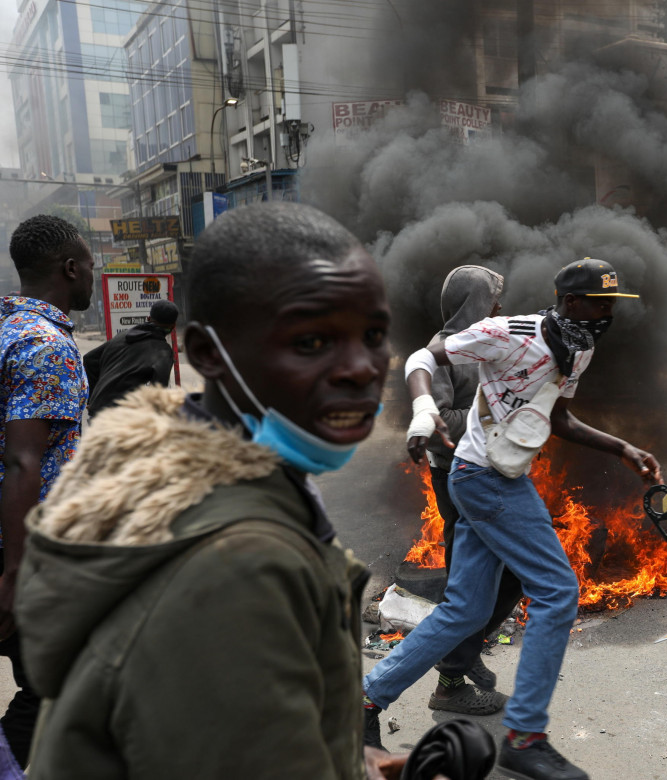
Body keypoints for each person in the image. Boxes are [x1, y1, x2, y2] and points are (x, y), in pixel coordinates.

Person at [13, 203, 400, 779]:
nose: (362, 368)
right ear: (205, 354)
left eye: (372, 333)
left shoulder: (216, 470)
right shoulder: (239, 561)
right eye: (313, 339)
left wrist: (364, 760)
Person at [363, 257, 661, 780]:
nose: (609, 312)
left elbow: (558, 417)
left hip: (497, 476)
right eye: (600, 302)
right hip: (483, 479)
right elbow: (419, 358)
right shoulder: (507, 333)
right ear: (571, 303)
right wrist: (424, 411)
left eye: (613, 303)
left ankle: (367, 699)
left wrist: (622, 448)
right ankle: (525, 737)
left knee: (465, 609)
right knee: (557, 590)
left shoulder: (579, 347)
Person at [0, 214, 93, 767]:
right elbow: (23, 461)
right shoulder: (45, 345)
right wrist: (15, 574)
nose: (91, 276)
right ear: (69, 268)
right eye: (89, 266)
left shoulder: (7, 330)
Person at [421, 265, 520, 716]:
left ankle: (464, 655)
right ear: (472, 304)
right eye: (491, 300)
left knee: (505, 574)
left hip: (488, 473)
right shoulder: (440, 353)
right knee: (472, 580)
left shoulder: (488, 344)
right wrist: (496, 413)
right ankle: (449, 683)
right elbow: (438, 421)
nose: (498, 307)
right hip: (460, 479)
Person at [83, 299, 179, 416]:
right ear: (173, 326)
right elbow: (158, 391)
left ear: (148, 318)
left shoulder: (122, 336)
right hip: (121, 414)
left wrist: (93, 396)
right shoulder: (163, 350)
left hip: (96, 409)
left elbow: (89, 359)